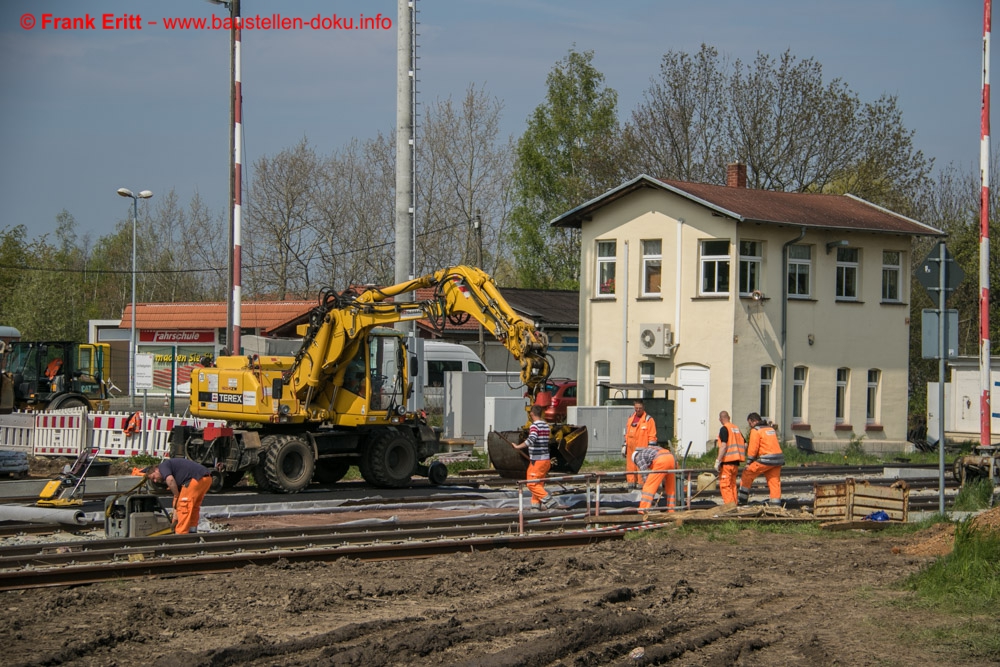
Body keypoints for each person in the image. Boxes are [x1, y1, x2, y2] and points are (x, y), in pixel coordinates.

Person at [514, 404, 563, 510]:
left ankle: (551, 503)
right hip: (545, 460)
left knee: (531, 484)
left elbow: (531, 439)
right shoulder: (546, 425)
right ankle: (535, 506)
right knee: (538, 484)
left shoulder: (534, 426)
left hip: (538, 460)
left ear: (531, 414)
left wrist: (518, 446)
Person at [147, 458, 214, 534]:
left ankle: (181, 533)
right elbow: (176, 499)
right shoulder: (174, 470)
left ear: (156, 470)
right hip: (206, 479)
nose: (155, 481)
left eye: (154, 477)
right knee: (193, 507)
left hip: (194, 480)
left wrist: (176, 495)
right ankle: (192, 531)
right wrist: (175, 513)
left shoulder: (163, 467)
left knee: (184, 507)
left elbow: (170, 480)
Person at [738, 413, 785, 507]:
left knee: (747, 473)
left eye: (750, 423)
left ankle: (742, 501)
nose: (750, 426)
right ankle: (775, 505)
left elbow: (753, 448)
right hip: (778, 459)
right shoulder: (770, 429)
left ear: (753, 421)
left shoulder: (756, 430)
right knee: (774, 481)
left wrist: (749, 463)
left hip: (766, 459)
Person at [622, 399, 657, 488]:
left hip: (643, 449)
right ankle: (631, 485)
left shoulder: (648, 420)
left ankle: (642, 487)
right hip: (630, 448)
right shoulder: (630, 418)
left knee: (641, 468)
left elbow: (652, 436)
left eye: (640, 408)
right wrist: (625, 444)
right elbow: (627, 433)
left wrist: (650, 449)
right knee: (630, 467)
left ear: (643, 407)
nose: (638, 410)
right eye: (636, 408)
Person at [714, 410, 747, 505]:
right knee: (732, 485)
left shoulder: (724, 429)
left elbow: (723, 446)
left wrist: (718, 461)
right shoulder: (736, 429)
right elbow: (745, 444)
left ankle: (729, 507)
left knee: (725, 486)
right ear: (729, 417)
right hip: (735, 463)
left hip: (727, 463)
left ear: (720, 419)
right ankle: (734, 504)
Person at [632, 444, 676, 514]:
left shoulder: (638, 457)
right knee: (670, 487)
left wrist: (650, 484)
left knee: (648, 486)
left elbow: (644, 473)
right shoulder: (648, 451)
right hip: (671, 458)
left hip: (661, 460)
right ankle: (671, 510)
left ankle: (643, 509)